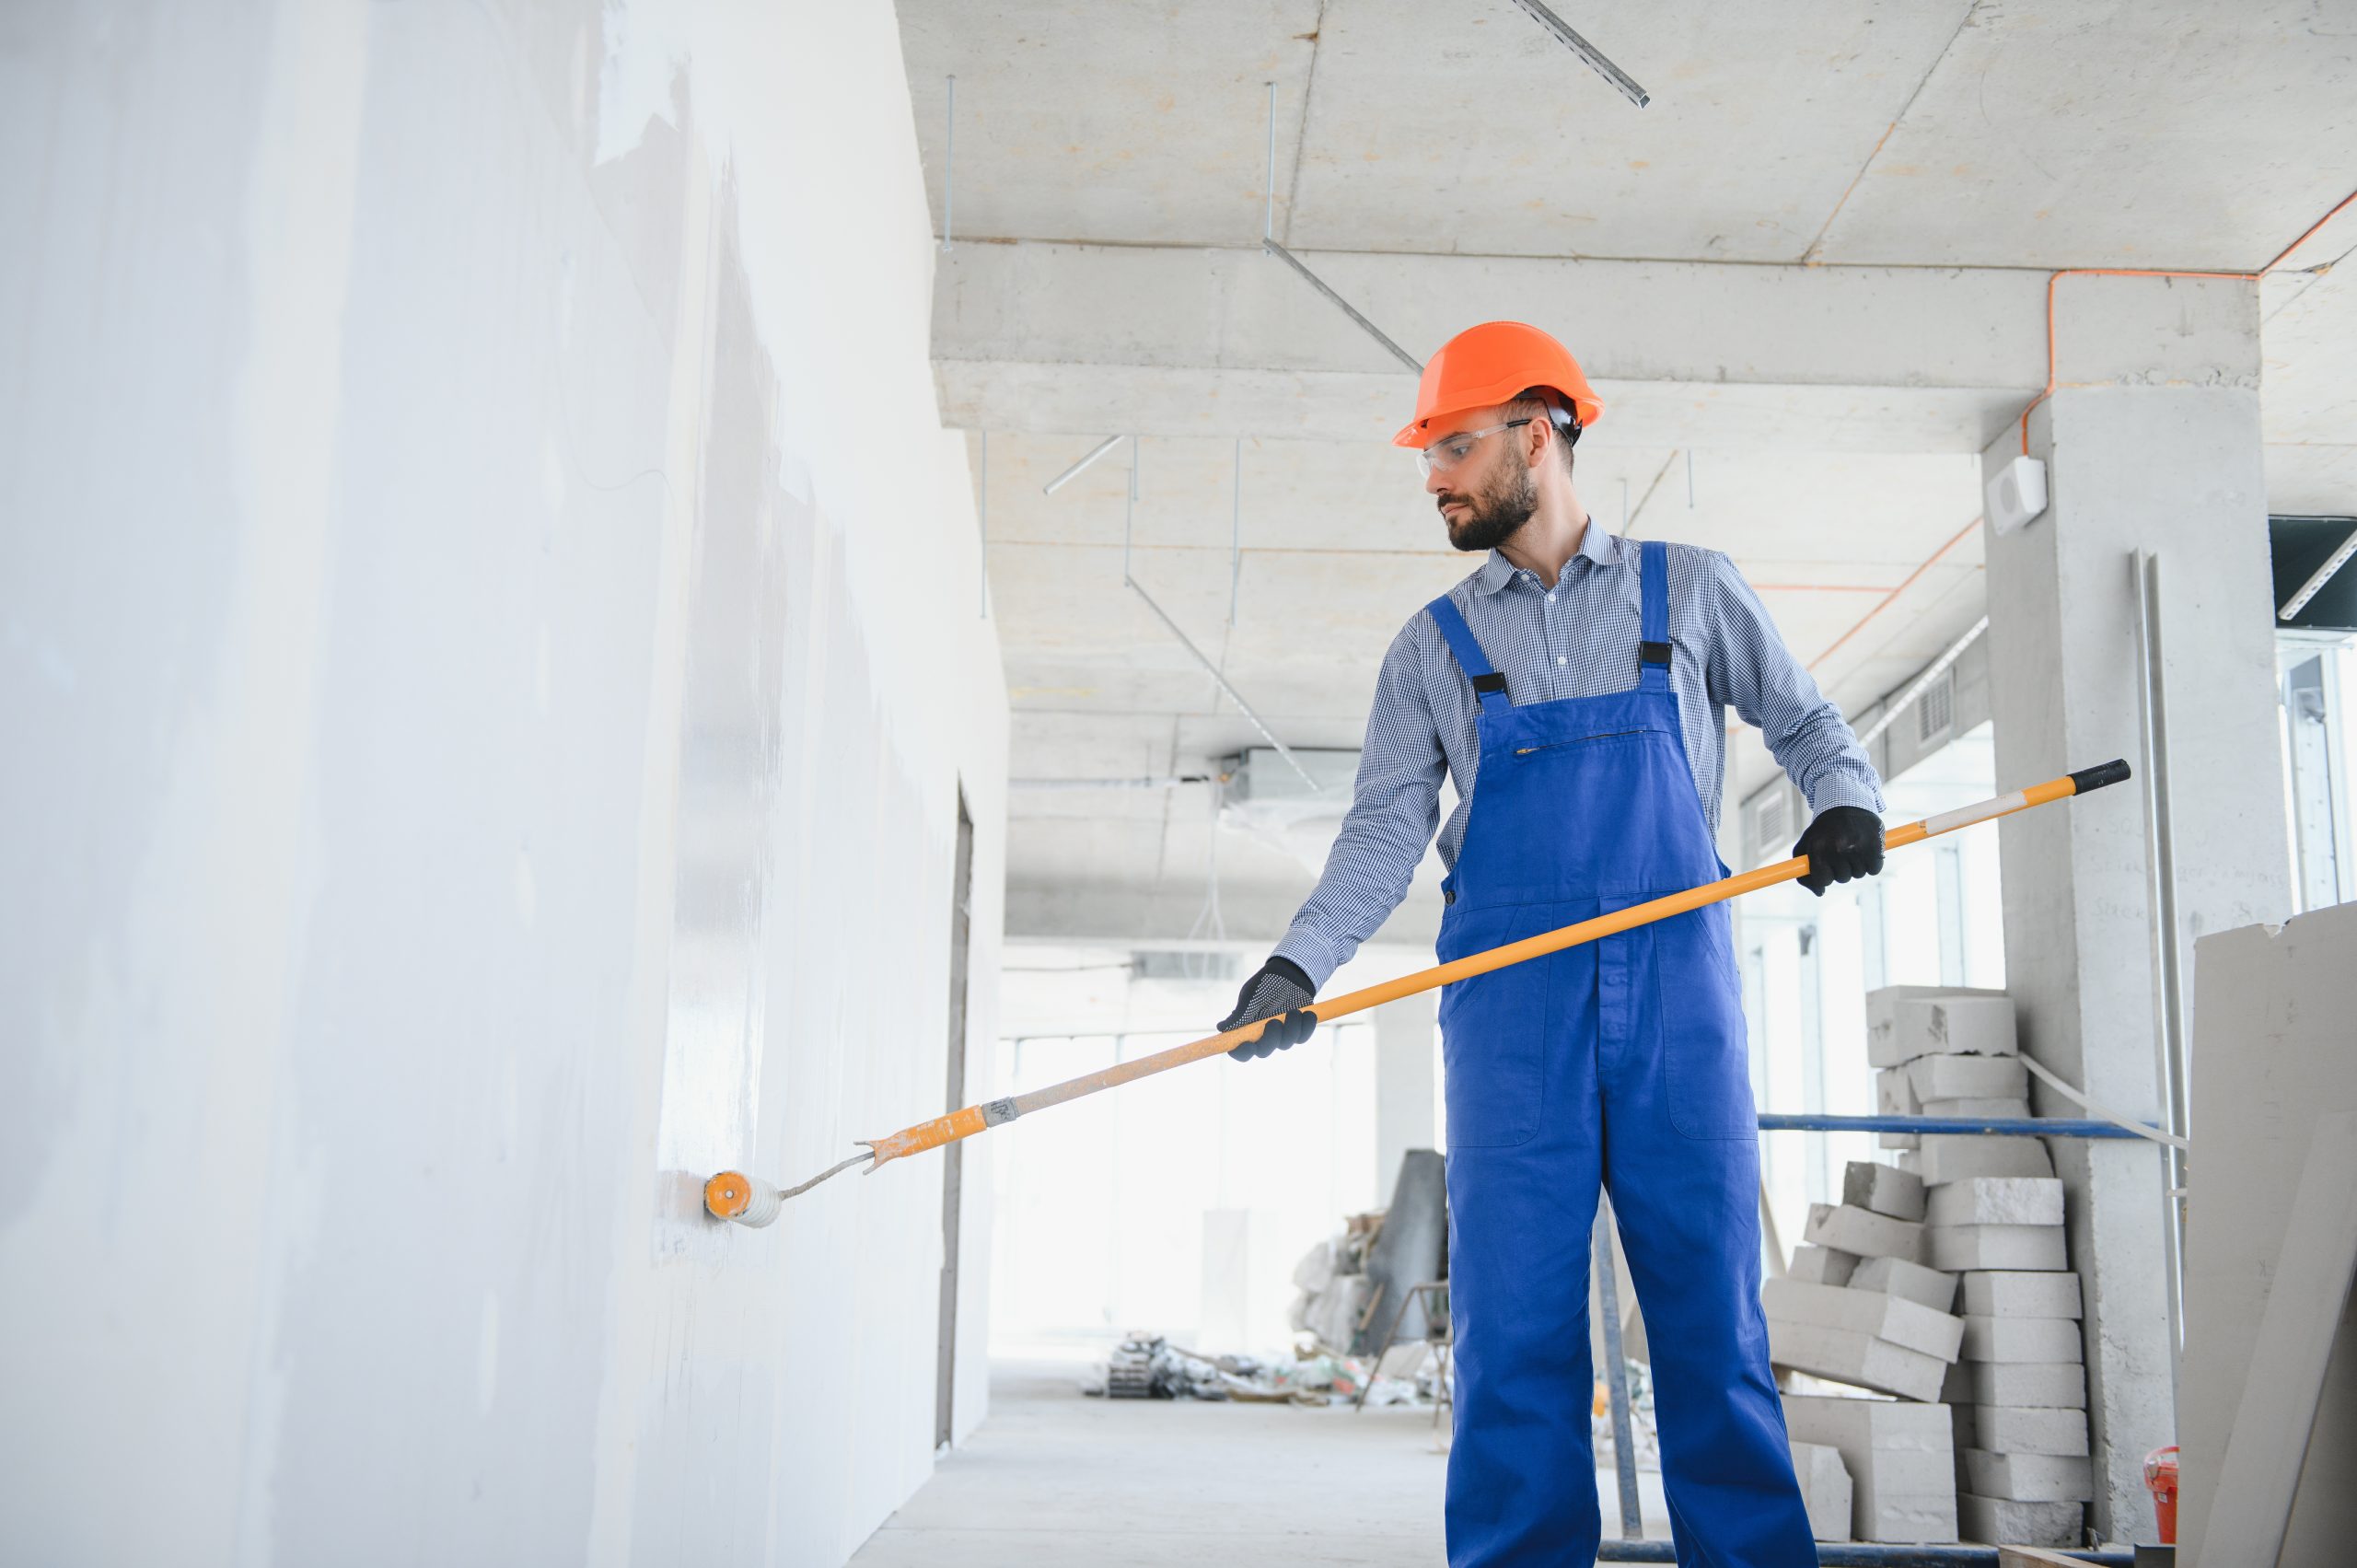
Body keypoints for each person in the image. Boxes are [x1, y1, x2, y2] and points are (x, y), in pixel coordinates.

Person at [1218, 320, 1886, 1566]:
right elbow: (1382, 833)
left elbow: (1805, 720)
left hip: (1676, 998)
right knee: (1513, 1330)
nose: (1436, 479)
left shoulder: (1687, 588)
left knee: (1707, 1319)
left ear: (1538, 434)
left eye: (1457, 447)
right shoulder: (1432, 647)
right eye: (1430, 456)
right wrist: (1299, 963)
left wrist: (1843, 802)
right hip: (1513, 1010)